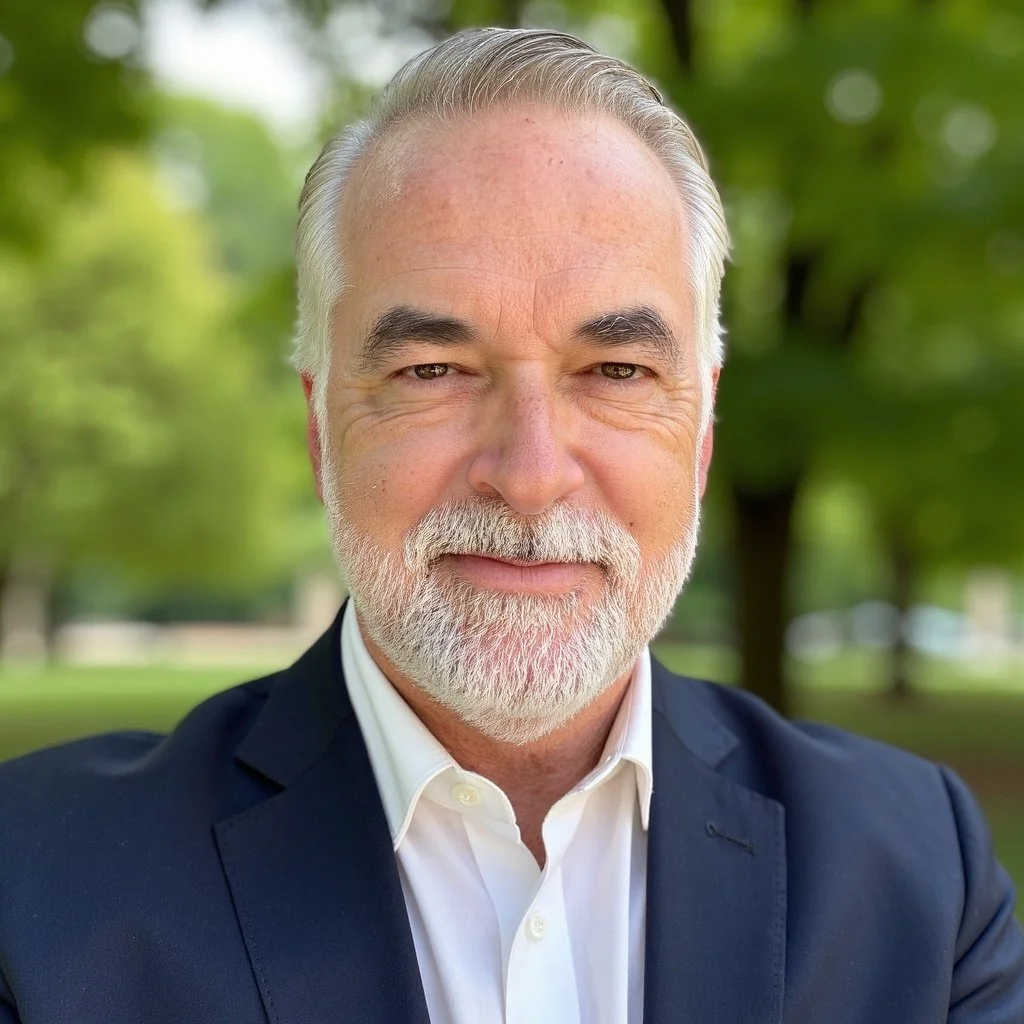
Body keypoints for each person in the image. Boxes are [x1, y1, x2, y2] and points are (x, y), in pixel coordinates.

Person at [0, 26, 1022, 1024]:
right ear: (320, 428)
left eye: (616, 371)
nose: (530, 477)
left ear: (702, 430)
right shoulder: (32, 885)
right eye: (432, 372)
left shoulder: (919, 879)